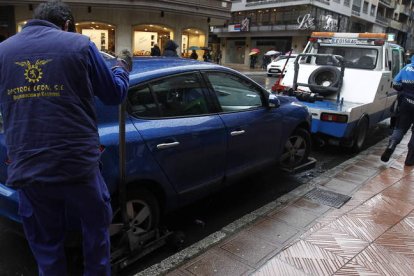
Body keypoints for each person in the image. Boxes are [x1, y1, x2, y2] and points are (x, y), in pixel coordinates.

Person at [0, 1, 131, 275]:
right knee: (96, 237)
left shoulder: (3, 51)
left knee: (46, 247)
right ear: (67, 25)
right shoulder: (80, 45)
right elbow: (113, 94)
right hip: (77, 165)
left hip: (28, 166)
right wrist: (121, 68)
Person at [381, 55, 414, 166]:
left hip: (406, 103)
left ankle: (392, 145)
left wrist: (403, 89)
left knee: (400, 128)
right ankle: (410, 160)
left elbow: (395, 83)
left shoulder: (407, 68)